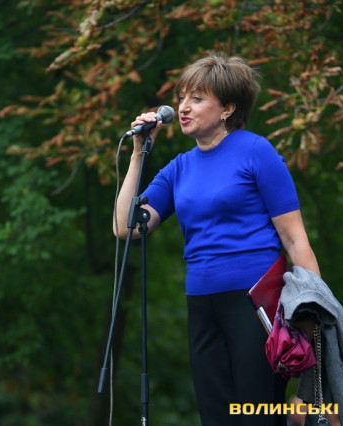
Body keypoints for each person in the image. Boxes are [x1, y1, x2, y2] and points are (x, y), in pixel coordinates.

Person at [113, 52, 321, 426]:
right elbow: (125, 227)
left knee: (257, 416)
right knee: (216, 417)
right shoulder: (179, 168)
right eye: (182, 98)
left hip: (255, 304)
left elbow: (295, 240)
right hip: (202, 304)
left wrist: (314, 315)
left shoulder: (256, 151)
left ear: (227, 108)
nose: (183, 108)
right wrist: (138, 155)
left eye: (197, 98)